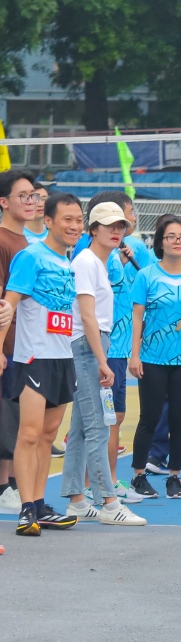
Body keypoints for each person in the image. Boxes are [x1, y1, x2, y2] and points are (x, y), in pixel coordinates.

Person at [1, 192, 84, 534]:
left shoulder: (68, 261)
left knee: (49, 435)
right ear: (48, 221)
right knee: (30, 433)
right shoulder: (30, 257)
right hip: (32, 359)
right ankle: (25, 508)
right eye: (67, 219)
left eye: (79, 220)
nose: (74, 226)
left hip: (63, 358)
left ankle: (39, 504)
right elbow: (8, 306)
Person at [59, 202, 147, 524]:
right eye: (108, 225)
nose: (116, 231)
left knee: (83, 428)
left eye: (120, 226)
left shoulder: (101, 262)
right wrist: (102, 359)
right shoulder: (87, 262)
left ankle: (77, 500)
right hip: (88, 346)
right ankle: (108, 502)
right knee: (98, 427)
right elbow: (86, 315)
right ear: (92, 229)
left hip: (94, 345)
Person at [125, 215, 181, 500]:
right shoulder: (146, 275)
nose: (177, 241)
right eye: (171, 237)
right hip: (151, 357)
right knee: (148, 417)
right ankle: (138, 475)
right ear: (161, 242)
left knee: (179, 418)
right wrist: (134, 355)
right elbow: (137, 316)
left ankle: (175, 476)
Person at [0, 171, 39, 513]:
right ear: (4, 202)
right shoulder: (2, 241)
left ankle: (11, 485)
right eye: (23, 196)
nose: (31, 202)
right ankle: (7, 487)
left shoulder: (26, 243)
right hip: (8, 346)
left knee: (15, 415)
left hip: (24, 345)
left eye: (33, 196)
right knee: (9, 417)